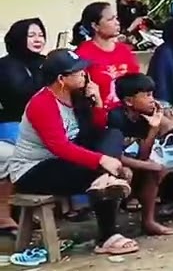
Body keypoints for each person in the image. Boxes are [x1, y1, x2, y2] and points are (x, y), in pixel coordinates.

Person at [10, 49, 137, 256]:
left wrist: (97, 102)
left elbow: (95, 130)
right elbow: (59, 147)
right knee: (97, 171)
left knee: (113, 134)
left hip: (64, 162)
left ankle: (106, 180)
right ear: (61, 79)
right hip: (34, 170)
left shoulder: (77, 96)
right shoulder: (42, 103)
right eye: (78, 72)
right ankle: (107, 237)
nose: (84, 74)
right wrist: (101, 160)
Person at [107, 73, 173, 236]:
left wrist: (154, 127)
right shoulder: (116, 118)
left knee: (152, 169)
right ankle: (110, 230)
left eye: (152, 95)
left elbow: (143, 154)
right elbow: (114, 155)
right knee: (138, 170)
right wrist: (149, 165)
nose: (152, 100)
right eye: (147, 96)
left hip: (132, 159)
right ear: (129, 101)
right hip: (111, 162)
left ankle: (149, 221)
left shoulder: (144, 117)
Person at [0, 18, 46, 231]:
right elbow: (20, 95)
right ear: (19, 38)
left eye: (41, 35)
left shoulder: (45, 62)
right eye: (31, 35)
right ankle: (4, 214)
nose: (38, 39)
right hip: (13, 124)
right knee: (15, 156)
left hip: (43, 124)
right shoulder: (6, 65)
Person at [73, 2, 141, 107]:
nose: (117, 23)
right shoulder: (82, 54)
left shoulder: (124, 50)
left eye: (116, 18)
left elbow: (137, 82)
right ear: (95, 26)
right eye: (110, 19)